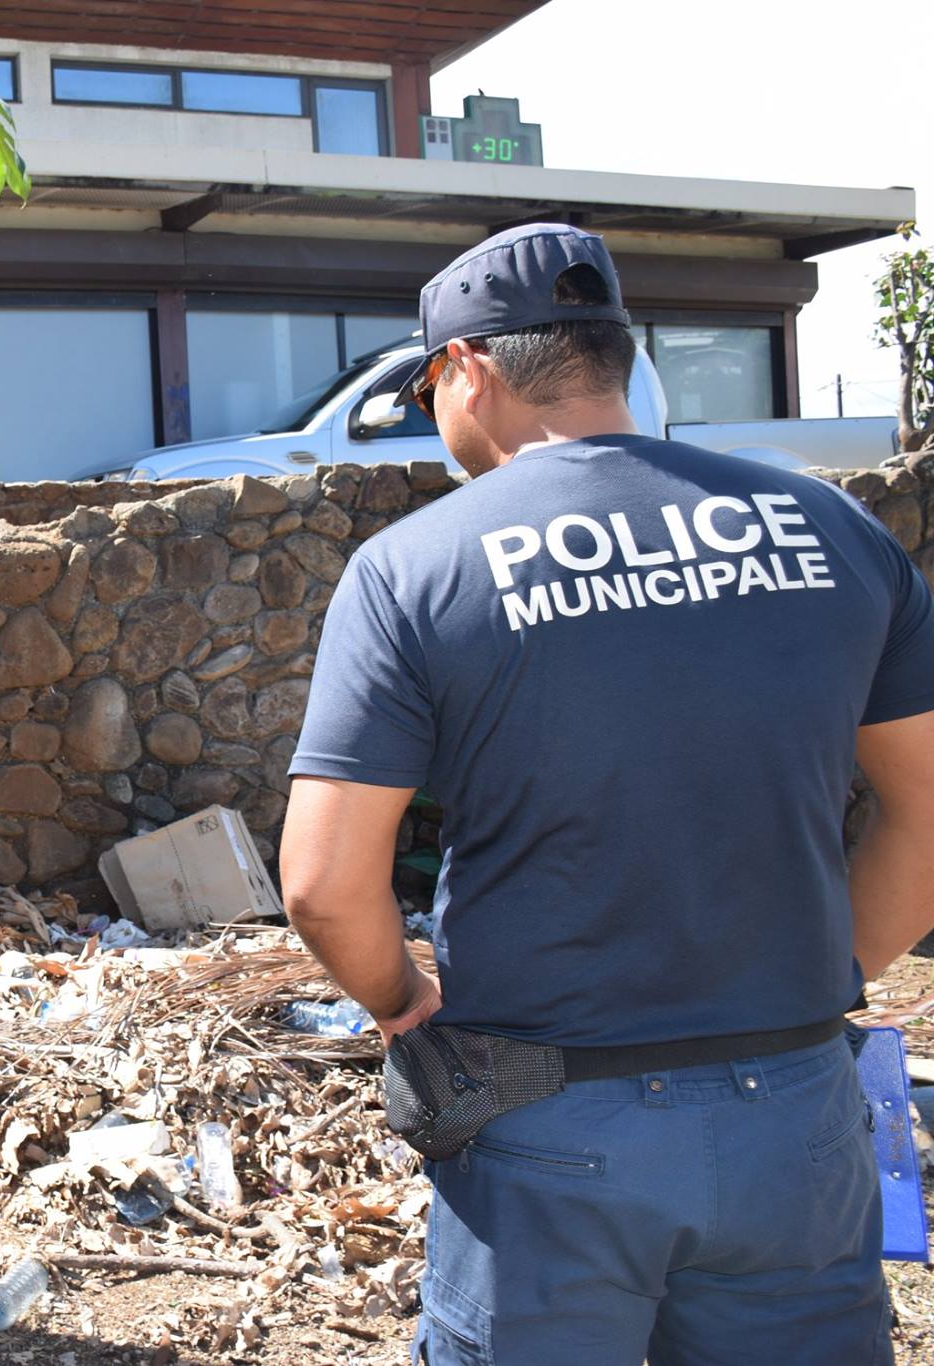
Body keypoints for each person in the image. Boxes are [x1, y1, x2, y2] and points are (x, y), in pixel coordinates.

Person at [278, 223, 934, 1364]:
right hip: (795, 1120)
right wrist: (826, 980)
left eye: (430, 381)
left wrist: (398, 1003)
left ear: (468, 368)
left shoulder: (413, 570)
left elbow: (323, 886)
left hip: (547, 1132)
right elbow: (924, 809)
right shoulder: (835, 533)